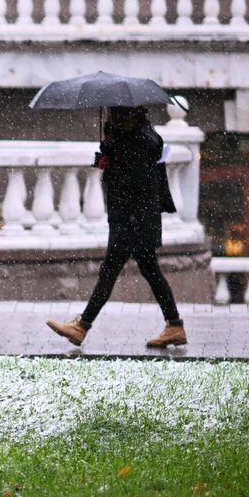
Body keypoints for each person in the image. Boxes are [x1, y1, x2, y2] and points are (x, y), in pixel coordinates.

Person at [46, 105, 187, 349]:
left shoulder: (139, 141)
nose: (109, 114)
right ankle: (174, 325)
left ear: (124, 113)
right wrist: (107, 154)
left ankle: (82, 326)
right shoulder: (137, 136)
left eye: (113, 111)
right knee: (150, 270)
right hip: (136, 217)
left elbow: (133, 182)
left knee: (110, 271)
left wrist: (111, 161)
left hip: (132, 218)